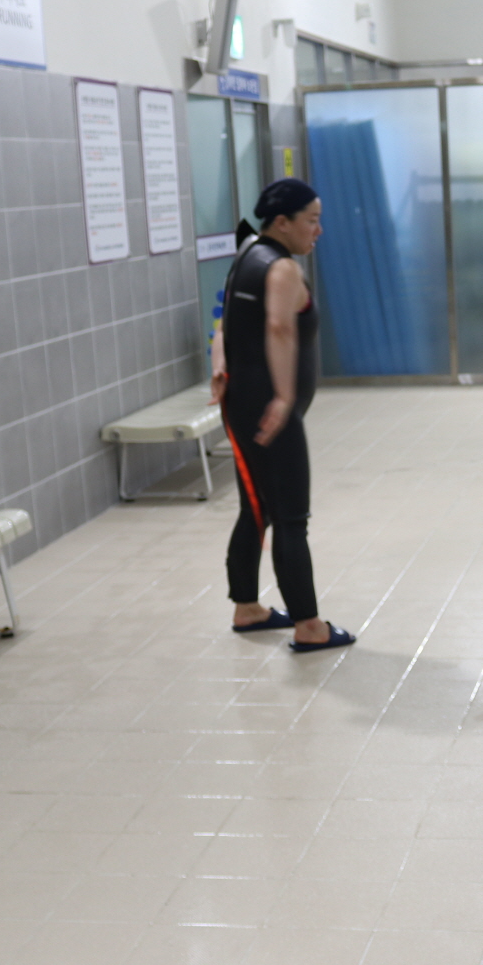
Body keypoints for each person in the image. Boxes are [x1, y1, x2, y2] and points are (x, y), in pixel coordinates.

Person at [211, 180, 355, 653]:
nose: (318, 230)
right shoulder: (282, 268)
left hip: (242, 403)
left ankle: (247, 607)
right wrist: (284, 397)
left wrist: (220, 367)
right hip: (268, 411)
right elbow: (278, 328)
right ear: (282, 223)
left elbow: (225, 323)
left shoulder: (247, 255)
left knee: (258, 507)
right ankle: (309, 626)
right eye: (311, 220)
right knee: (291, 517)